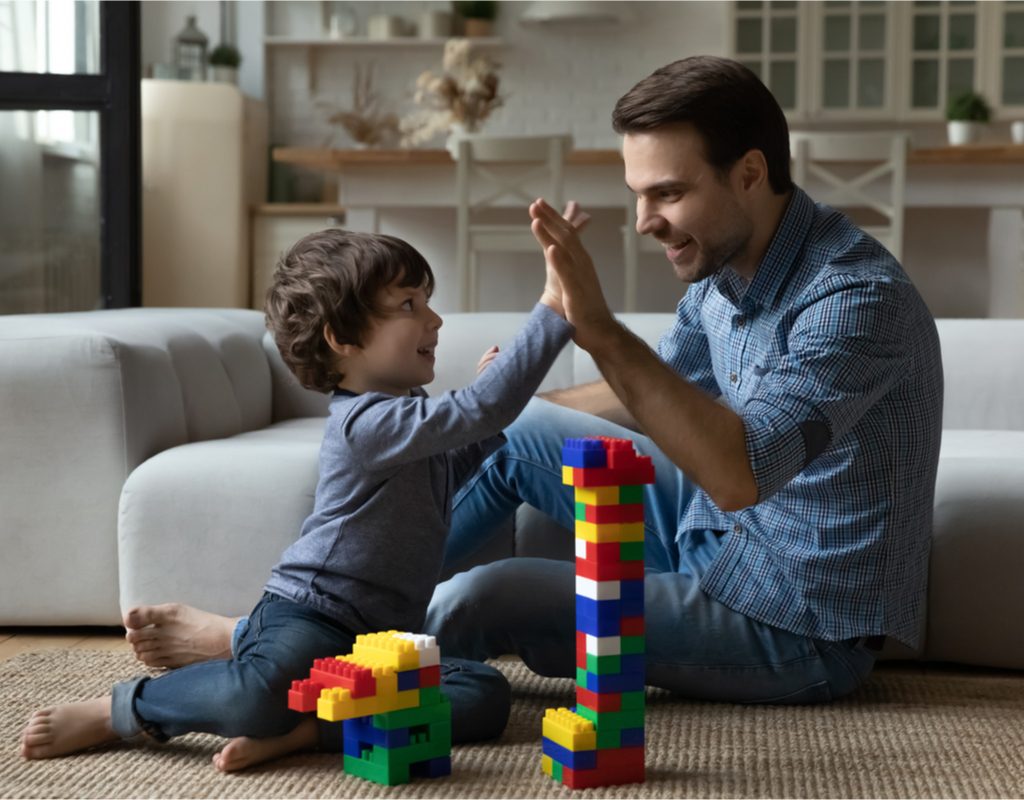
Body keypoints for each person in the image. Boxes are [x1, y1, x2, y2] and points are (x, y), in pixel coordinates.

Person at [111, 54, 944, 706]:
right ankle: (292, 627)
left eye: (669, 193)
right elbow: (647, 391)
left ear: (752, 174)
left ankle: (276, 657)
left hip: (795, 620)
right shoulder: (727, 272)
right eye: (638, 192)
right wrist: (509, 406)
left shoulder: (853, 300)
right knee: (504, 434)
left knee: (488, 597)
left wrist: (593, 324)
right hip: (720, 539)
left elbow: (737, 473)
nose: (647, 220)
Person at [20, 227, 576, 769]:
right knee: (256, 697)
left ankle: (311, 730)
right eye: (409, 304)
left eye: (427, 301)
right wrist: (553, 307)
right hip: (312, 615)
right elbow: (482, 409)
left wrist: (483, 408)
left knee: (484, 694)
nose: (434, 319)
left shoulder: (409, 416)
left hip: (381, 638)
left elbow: (452, 461)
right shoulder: (366, 422)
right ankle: (121, 709)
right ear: (343, 338)